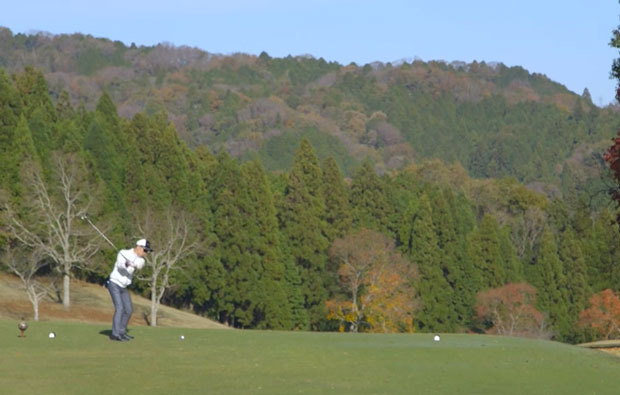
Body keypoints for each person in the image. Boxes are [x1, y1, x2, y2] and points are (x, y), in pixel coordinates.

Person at [107, 238, 151, 341]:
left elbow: (139, 265)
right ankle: (115, 334)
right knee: (120, 308)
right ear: (139, 247)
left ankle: (122, 332)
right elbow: (119, 267)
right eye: (145, 250)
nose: (146, 253)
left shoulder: (141, 260)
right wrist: (126, 264)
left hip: (124, 287)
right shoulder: (123, 253)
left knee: (129, 309)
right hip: (114, 283)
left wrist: (132, 264)